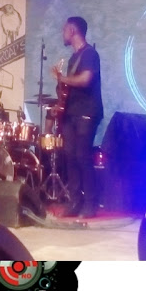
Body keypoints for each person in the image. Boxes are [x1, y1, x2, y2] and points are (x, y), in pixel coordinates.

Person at [51, 16, 103, 218]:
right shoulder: (73, 58)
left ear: (72, 31)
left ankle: (90, 203)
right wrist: (59, 97)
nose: (63, 34)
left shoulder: (90, 54)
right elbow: (69, 87)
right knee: (70, 157)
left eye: (65, 30)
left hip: (87, 112)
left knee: (82, 156)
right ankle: (74, 202)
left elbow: (85, 80)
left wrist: (62, 78)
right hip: (71, 113)